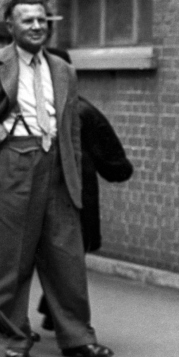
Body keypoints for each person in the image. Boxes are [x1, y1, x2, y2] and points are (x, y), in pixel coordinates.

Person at [0, 0, 113, 357]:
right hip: (12, 161)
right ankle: (15, 334)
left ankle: (77, 336)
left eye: (42, 20)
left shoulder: (63, 70)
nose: (36, 26)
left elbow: (70, 127)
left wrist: (73, 173)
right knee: (13, 254)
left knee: (66, 255)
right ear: (11, 26)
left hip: (56, 166)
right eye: (27, 20)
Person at [37, 48, 134, 331]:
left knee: (54, 256)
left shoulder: (79, 113)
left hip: (60, 201)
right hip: (67, 201)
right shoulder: (82, 112)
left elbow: (118, 166)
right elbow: (118, 166)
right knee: (63, 256)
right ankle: (55, 313)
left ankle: (50, 314)